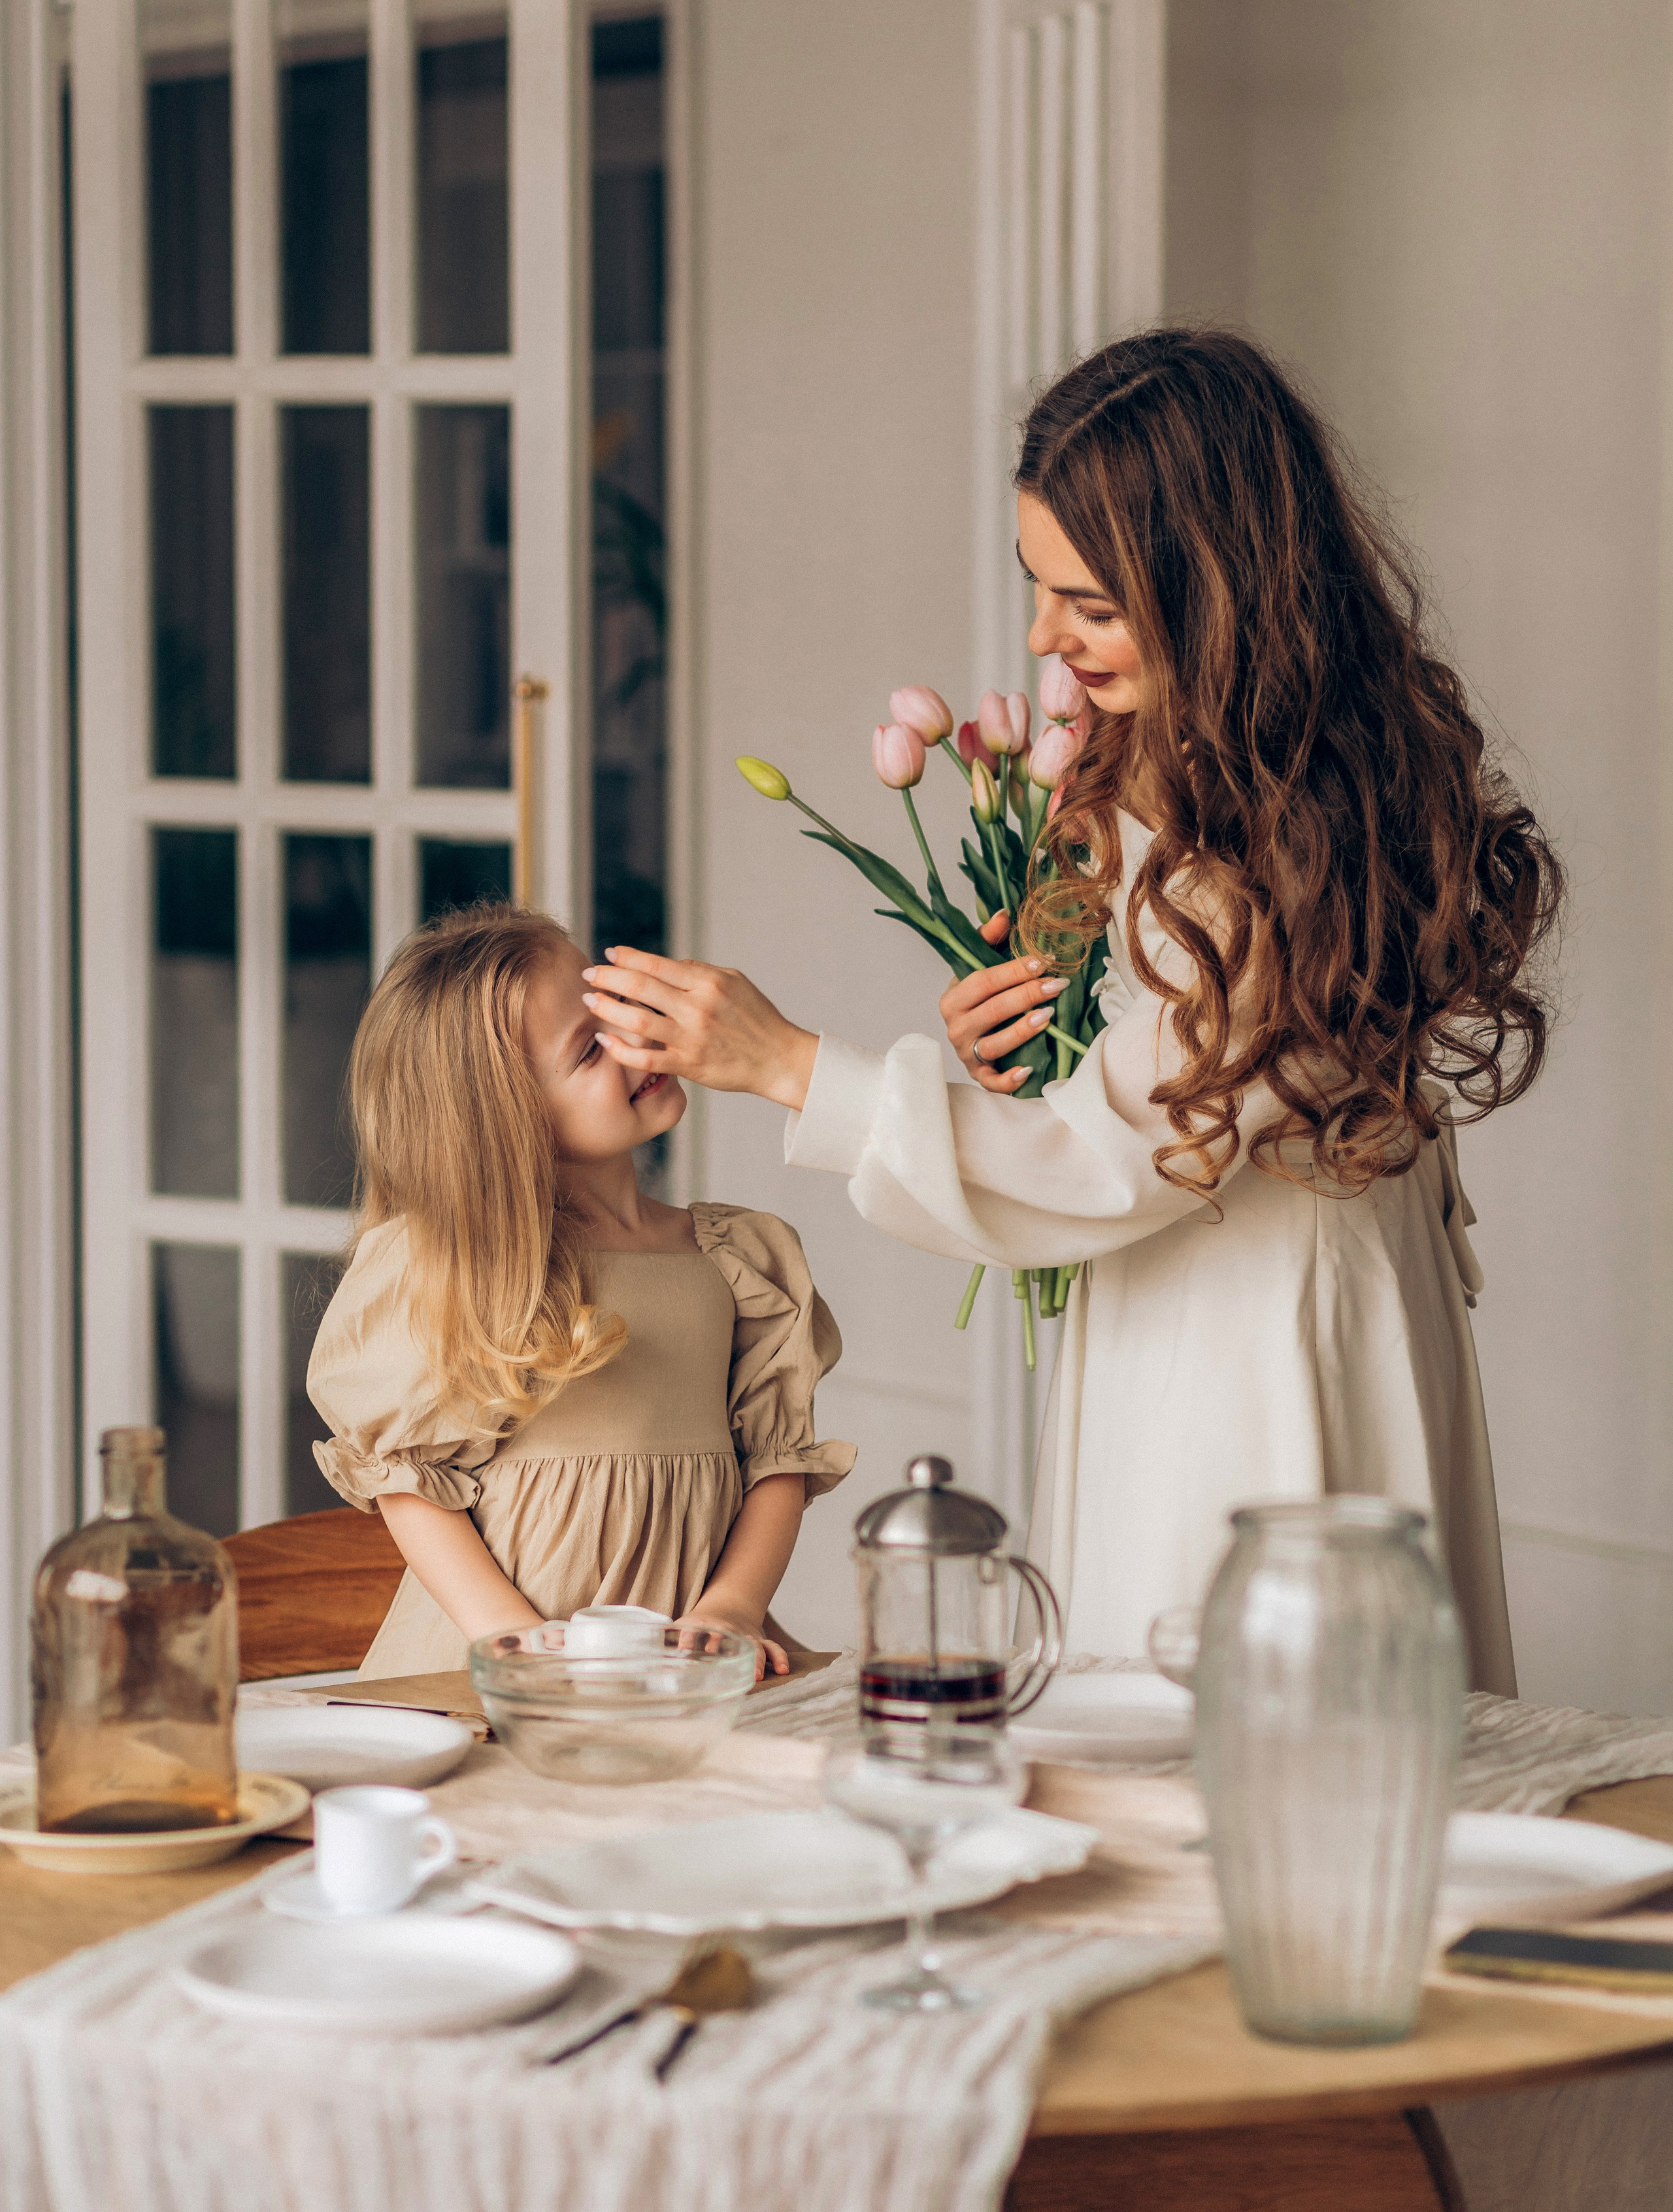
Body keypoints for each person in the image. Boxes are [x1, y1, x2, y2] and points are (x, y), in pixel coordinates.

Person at [576, 328, 1563, 1696]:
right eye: (1037, 590)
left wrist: (791, 1064)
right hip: (1237, 1297)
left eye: (1087, 604)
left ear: (1211, 593)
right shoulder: (1257, 773)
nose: (1044, 638)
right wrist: (1032, 1041)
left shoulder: (1270, 858)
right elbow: (1131, 1081)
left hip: (1253, 1350)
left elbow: (1114, 1154)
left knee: (1245, 1734)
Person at [307, 903, 852, 1681]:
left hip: (685, 1666)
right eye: (591, 1047)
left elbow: (776, 1463)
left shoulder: (740, 1260)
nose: (636, 1043)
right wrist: (508, 1634)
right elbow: (410, 1481)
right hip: (498, 1670)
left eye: (620, 1011)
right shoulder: (458, 1268)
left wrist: (730, 1610)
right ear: (504, 1116)